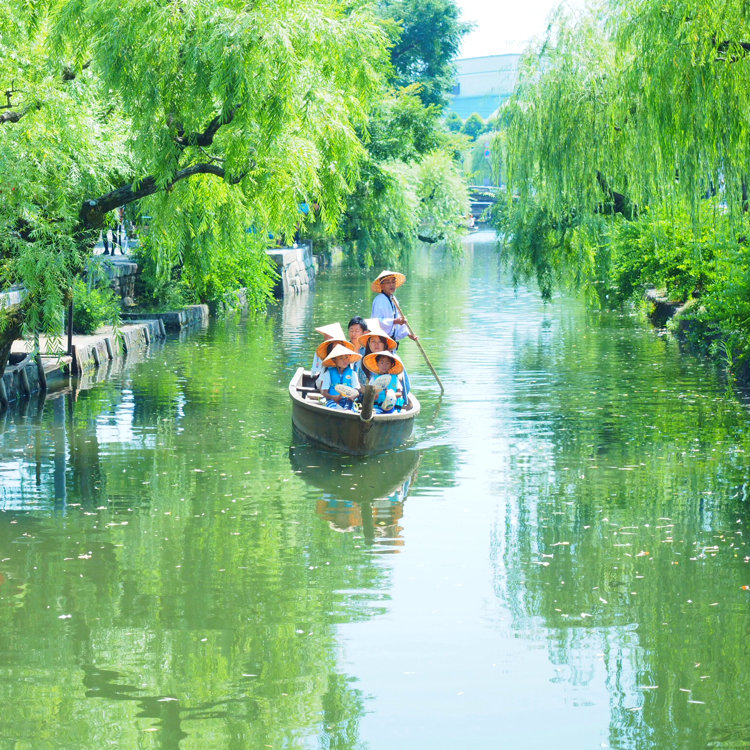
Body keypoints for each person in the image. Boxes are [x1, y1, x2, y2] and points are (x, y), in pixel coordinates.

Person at [370, 270, 417, 343]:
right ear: (381, 285)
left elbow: (398, 318)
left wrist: (408, 333)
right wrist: (395, 321)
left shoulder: (393, 299)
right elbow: (376, 322)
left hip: (391, 340)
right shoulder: (380, 300)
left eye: (393, 282)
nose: (391, 285)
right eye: (388, 282)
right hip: (380, 341)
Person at [319, 344, 362, 410]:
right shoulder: (328, 373)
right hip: (332, 401)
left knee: (350, 410)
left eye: (346, 357)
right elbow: (324, 393)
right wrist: (334, 397)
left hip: (348, 401)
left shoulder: (353, 374)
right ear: (334, 360)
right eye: (341, 358)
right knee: (333, 408)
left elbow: (356, 391)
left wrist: (352, 396)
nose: (345, 360)